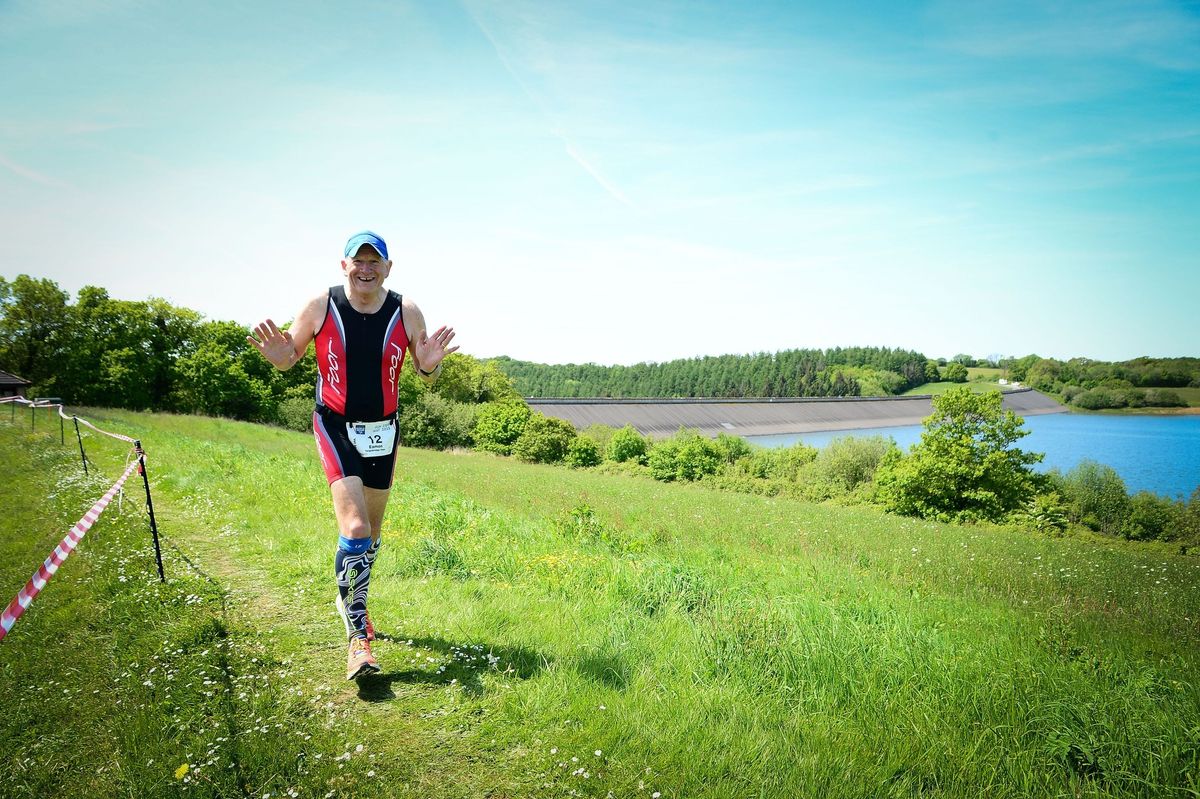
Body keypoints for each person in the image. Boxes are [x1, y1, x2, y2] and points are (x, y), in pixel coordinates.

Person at [248, 231, 457, 680]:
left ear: (388, 267)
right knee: (356, 526)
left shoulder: (407, 309)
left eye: (374, 261)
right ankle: (358, 635)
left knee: (372, 533)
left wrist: (432, 363)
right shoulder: (321, 305)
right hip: (335, 424)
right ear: (344, 265)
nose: (366, 268)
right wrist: (279, 355)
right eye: (358, 261)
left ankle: (350, 597)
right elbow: (290, 357)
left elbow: (427, 374)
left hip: (384, 429)